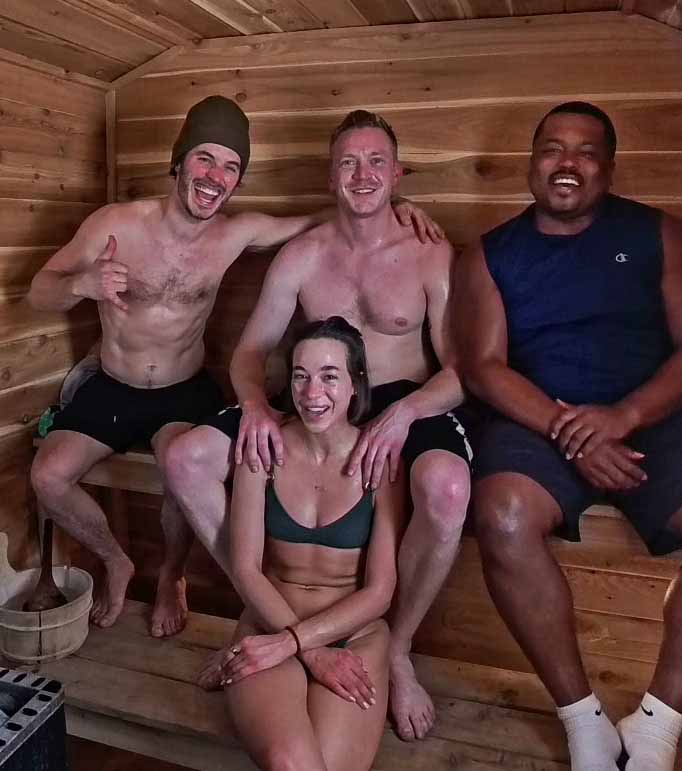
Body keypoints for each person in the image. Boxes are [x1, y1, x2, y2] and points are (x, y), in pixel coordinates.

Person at [27, 95, 438, 636]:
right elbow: (40, 291)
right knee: (46, 476)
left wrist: (397, 205)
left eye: (230, 166)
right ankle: (116, 559)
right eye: (205, 159)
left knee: (180, 463)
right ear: (179, 161)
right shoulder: (116, 224)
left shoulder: (236, 233)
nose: (215, 176)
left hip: (182, 388)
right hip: (113, 383)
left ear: (237, 181)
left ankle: (173, 575)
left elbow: (327, 216)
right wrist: (82, 283)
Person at [453, 101, 682, 771]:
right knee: (503, 514)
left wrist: (623, 417)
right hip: (539, 420)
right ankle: (584, 723)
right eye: (552, 148)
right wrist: (572, 432)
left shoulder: (659, 233)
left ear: (608, 168)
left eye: (586, 151)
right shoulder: (489, 254)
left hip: (657, 416)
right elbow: (482, 367)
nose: (567, 162)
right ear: (531, 161)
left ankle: (656, 726)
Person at [166, 109, 472, 741]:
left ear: (397, 173)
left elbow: (464, 370)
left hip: (406, 401)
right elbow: (251, 351)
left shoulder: (430, 254)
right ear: (331, 174)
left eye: (376, 162)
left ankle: (399, 648)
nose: (363, 175)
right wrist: (254, 405)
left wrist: (406, 412)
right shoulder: (302, 256)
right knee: (184, 459)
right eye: (349, 163)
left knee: (446, 489)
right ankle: (265, 616)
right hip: (314, 396)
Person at [197, 316, 404, 771]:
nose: (312, 394)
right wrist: (301, 648)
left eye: (330, 376)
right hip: (269, 628)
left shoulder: (381, 462)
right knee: (290, 764)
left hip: (355, 636)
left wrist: (298, 644)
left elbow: (380, 591)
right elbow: (247, 567)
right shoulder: (263, 449)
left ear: (355, 385)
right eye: (300, 376)